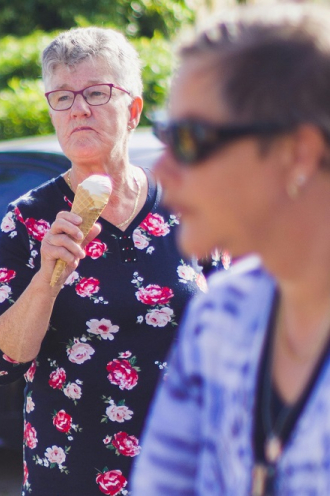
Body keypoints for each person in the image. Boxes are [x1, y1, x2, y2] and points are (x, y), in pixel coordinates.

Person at [0, 26, 223, 495]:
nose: (79, 109)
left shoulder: (191, 205)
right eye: (62, 97)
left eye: (96, 92)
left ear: (133, 111)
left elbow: (239, 329)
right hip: (74, 471)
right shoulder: (28, 219)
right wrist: (47, 279)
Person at [130, 4, 330, 495]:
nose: (160, 171)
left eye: (190, 139)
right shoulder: (220, 314)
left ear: (298, 152)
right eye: (163, 136)